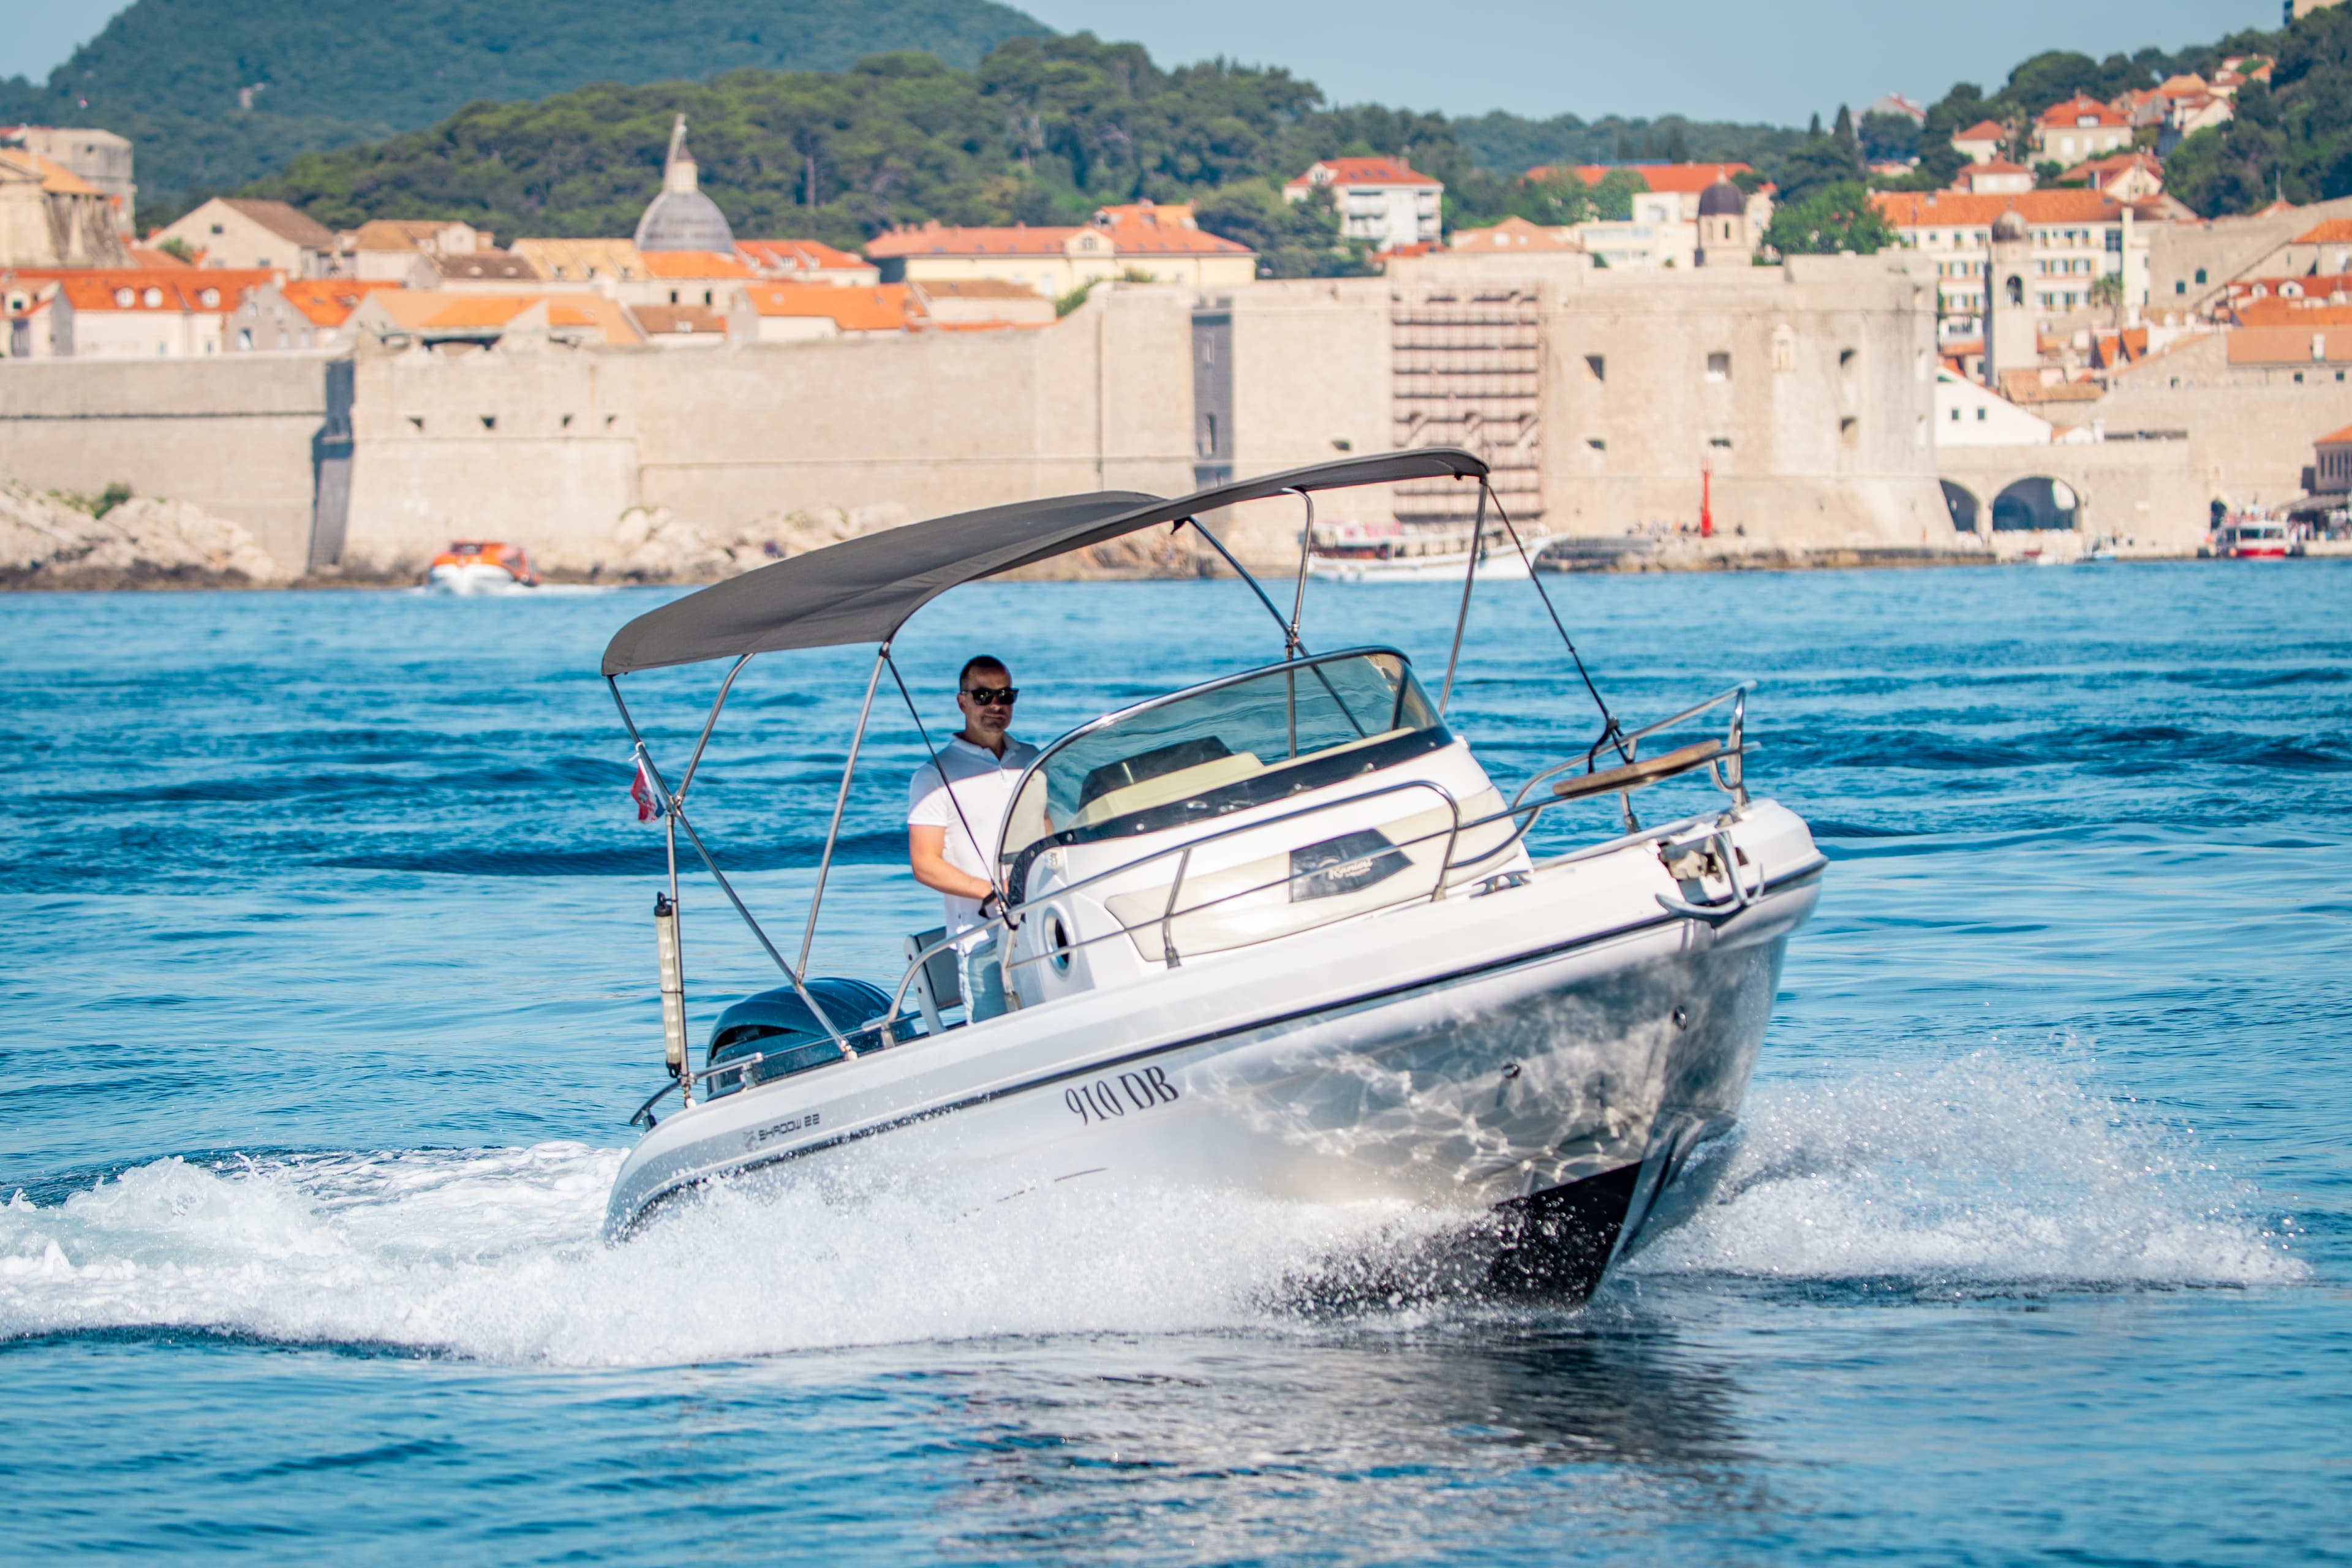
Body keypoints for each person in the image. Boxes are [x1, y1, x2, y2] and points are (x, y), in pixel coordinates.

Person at [907, 655, 1037, 1020]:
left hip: (1041, 927)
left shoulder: (1032, 759)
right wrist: (993, 892)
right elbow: (925, 864)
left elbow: (1050, 832)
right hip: (981, 941)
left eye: (1005, 695)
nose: (996, 705)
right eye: (983, 695)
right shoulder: (933, 775)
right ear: (962, 701)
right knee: (997, 1052)